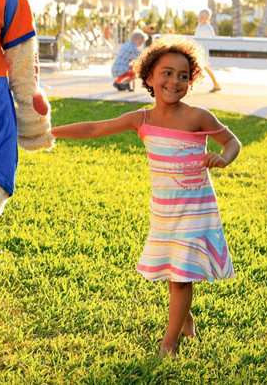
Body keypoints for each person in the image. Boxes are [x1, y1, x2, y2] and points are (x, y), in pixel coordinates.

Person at [52, 36, 241, 357]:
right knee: (173, 270)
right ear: (149, 77)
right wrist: (49, 133)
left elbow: (232, 141)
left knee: (181, 278)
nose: (175, 81)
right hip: (164, 210)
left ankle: (170, 342)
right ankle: (185, 318)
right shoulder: (141, 119)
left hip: (196, 209)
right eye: (167, 73)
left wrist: (223, 158)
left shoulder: (198, 116)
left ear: (191, 81)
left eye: (183, 76)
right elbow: (94, 129)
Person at [193, 9, 222, 92]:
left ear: (207, 18)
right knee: (203, 68)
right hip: (197, 51)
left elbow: (212, 40)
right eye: (200, 16)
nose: (200, 18)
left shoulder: (208, 28)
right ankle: (216, 84)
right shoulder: (199, 26)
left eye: (202, 16)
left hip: (204, 52)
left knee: (205, 68)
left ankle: (216, 84)